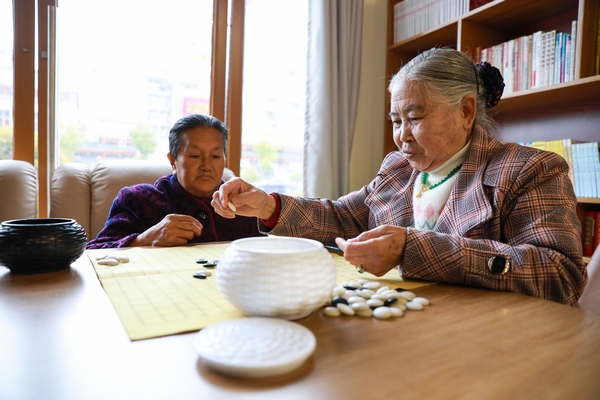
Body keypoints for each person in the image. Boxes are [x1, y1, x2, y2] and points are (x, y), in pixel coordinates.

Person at [211, 47, 587, 306]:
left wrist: (412, 248)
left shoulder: (530, 170)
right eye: (395, 121)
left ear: (466, 111)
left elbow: (560, 275)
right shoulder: (398, 168)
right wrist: (269, 205)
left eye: (415, 118)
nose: (402, 135)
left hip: (486, 343)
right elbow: (344, 217)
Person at [87, 114, 264, 249]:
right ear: (173, 161)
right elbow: (93, 251)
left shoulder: (243, 204)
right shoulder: (137, 199)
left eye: (216, 156)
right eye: (195, 155)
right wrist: (145, 239)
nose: (207, 166)